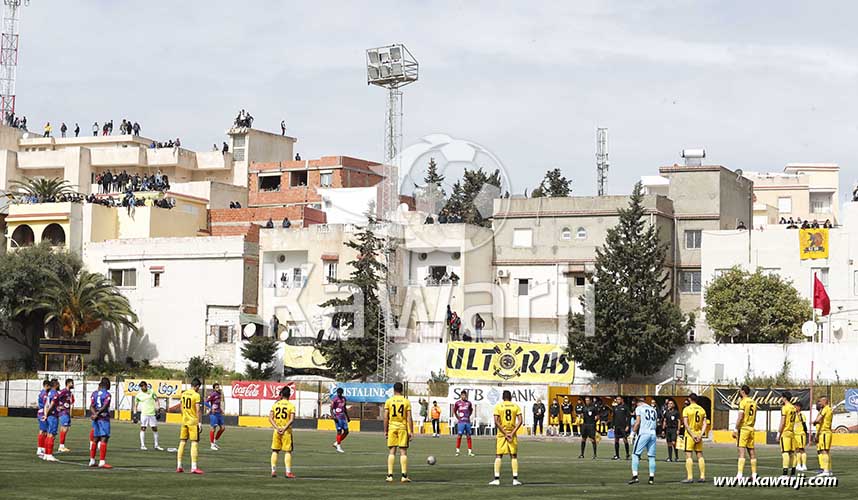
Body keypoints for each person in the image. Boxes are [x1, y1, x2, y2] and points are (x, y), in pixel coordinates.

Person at [490, 389, 522, 486]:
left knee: (499, 455)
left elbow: (496, 421)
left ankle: (496, 479)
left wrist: (504, 433)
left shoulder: (498, 406)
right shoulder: (515, 406)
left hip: (501, 434)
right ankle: (515, 479)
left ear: (503, 397)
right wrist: (512, 433)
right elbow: (520, 421)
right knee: (513, 456)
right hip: (512, 433)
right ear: (510, 397)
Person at [384, 382, 413, 483]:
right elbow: (409, 417)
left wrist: (385, 430)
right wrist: (411, 431)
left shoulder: (389, 401)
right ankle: (404, 476)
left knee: (392, 451)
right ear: (402, 390)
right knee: (403, 452)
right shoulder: (406, 401)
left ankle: (390, 475)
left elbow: (385, 417)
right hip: (402, 428)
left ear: (394, 389)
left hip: (392, 427)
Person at [176, 378, 204, 474]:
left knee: (182, 442)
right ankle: (194, 467)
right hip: (193, 422)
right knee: (194, 442)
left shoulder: (183, 393)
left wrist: (184, 417)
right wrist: (199, 422)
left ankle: (179, 466)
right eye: (198, 387)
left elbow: (181, 407)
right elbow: (198, 410)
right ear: (196, 386)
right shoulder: (196, 395)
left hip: (184, 421)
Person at [628, 397, 658, 485]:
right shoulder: (653, 410)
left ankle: (635, 476)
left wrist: (632, 433)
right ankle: (651, 478)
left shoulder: (639, 408)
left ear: (638, 402)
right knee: (651, 456)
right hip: (653, 433)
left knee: (635, 454)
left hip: (644, 433)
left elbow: (637, 422)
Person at [269, 385, 296, 478]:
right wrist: (284, 428)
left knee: (275, 451)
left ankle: (273, 471)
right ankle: (288, 472)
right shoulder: (291, 406)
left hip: (276, 431)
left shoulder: (275, 404)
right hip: (286, 432)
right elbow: (291, 419)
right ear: (289, 395)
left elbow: (270, 418)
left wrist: (277, 427)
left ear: (281, 394)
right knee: (288, 451)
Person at [680, 393, 708, 483]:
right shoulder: (702, 409)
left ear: (689, 399)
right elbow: (705, 424)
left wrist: (692, 435)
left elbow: (686, 424)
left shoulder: (686, 409)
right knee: (699, 455)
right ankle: (702, 476)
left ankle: (690, 477)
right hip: (699, 434)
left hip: (690, 434)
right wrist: (700, 434)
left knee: (688, 455)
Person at [733, 385, 757, 480]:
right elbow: (755, 417)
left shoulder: (743, 402)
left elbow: (740, 416)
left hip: (744, 428)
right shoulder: (753, 402)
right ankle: (754, 474)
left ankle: (739, 475)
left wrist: (735, 428)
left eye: (740, 391)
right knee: (751, 451)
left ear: (743, 392)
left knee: (741, 451)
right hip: (751, 428)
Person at [89, 377, 113, 468]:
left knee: (95, 439)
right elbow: (105, 406)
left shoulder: (94, 393)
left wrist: (94, 414)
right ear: (107, 385)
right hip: (103, 418)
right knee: (104, 438)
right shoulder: (107, 394)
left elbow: (91, 406)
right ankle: (102, 462)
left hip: (96, 419)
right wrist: (98, 413)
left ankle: (92, 460)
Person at [133, 381, 162, 451]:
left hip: (152, 414)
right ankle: (142, 445)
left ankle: (156, 445)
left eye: (144, 386)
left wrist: (158, 410)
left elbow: (157, 400)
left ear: (146, 386)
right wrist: (135, 414)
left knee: (155, 429)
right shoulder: (138, 395)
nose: (143, 387)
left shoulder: (151, 392)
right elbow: (135, 405)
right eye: (142, 386)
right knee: (143, 428)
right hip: (144, 414)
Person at [778, 391, 797, 477]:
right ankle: (793, 473)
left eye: (782, 397)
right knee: (792, 453)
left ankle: (785, 474)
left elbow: (782, 422)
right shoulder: (793, 407)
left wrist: (778, 433)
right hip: (791, 432)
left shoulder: (785, 408)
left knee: (785, 452)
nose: (781, 399)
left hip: (785, 432)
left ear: (785, 398)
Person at [40, 379, 60, 461]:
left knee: (48, 434)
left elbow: (46, 405)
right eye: (58, 384)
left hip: (49, 416)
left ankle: (46, 454)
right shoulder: (55, 393)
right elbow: (51, 405)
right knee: (52, 435)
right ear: (55, 385)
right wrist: (47, 414)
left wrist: (45, 415)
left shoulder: (49, 393)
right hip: (53, 416)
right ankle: (49, 454)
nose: (59, 385)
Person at [813, 396, 833, 477]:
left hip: (824, 432)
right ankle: (828, 470)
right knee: (826, 452)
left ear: (825, 401)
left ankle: (826, 470)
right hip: (826, 432)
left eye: (820, 401)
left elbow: (818, 420)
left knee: (824, 451)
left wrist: (814, 422)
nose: (819, 403)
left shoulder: (826, 409)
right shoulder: (829, 409)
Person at [453, 390, 475, 456]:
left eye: (464, 395)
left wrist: (468, 416)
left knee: (469, 436)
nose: (463, 396)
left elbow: (471, 410)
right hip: (461, 422)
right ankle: (457, 451)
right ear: (460, 396)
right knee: (459, 436)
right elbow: (454, 410)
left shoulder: (469, 403)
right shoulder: (457, 403)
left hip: (467, 422)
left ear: (466, 396)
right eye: (462, 395)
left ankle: (470, 451)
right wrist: (457, 417)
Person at [56, 378, 75, 453]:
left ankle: (62, 445)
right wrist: (58, 406)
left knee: (65, 428)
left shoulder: (69, 392)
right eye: (72, 383)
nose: (73, 385)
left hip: (66, 412)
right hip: (63, 412)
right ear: (68, 383)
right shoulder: (63, 391)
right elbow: (56, 398)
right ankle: (61, 446)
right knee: (64, 428)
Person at [206, 383, 225, 450]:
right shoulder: (212, 394)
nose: (218, 388)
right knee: (213, 429)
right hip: (213, 414)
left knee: (222, 428)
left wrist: (221, 409)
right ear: (214, 388)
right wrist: (211, 408)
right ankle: (212, 445)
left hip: (219, 413)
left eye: (218, 387)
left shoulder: (219, 394)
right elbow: (206, 402)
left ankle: (214, 441)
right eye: (216, 387)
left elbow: (218, 403)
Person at [35, 379, 51, 458]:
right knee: (43, 431)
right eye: (49, 386)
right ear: (46, 386)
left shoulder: (43, 392)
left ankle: (42, 448)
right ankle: (40, 449)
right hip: (42, 414)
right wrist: (46, 414)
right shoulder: (44, 394)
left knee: (44, 431)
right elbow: (46, 406)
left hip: (41, 413)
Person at [331, 387, 350, 453]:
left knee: (346, 431)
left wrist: (347, 417)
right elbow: (331, 408)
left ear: (342, 393)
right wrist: (333, 416)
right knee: (339, 431)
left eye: (340, 393)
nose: (338, 394)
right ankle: (338, 447)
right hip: (337, 417)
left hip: (343, 417)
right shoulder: (335, 399)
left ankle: (336, 443)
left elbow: (344, 408)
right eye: (338, 393)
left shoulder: (344, 399)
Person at [612, 396, 631, 460]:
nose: (617, 400)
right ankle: (617, 455)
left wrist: (628, 425)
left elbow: (628, 417)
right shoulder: (615, 407)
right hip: (617, 426)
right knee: (616, 440)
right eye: (617, 399)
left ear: (622, 400)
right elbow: (613, 417)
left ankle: (627, 454)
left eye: (619, 399)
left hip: (623, 426)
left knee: (625, 440)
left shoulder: (625, 407)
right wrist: (613, 425)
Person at [793, 400, 808, 474]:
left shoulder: (802, 415)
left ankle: (804, 465)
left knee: (802, 449)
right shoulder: (794, 415)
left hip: (801, 434)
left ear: (799, 407)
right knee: (797, 450)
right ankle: (798, 464)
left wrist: (805, 434)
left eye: (795, 406)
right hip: (795, 435)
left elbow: (805, 425)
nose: (794, 407)